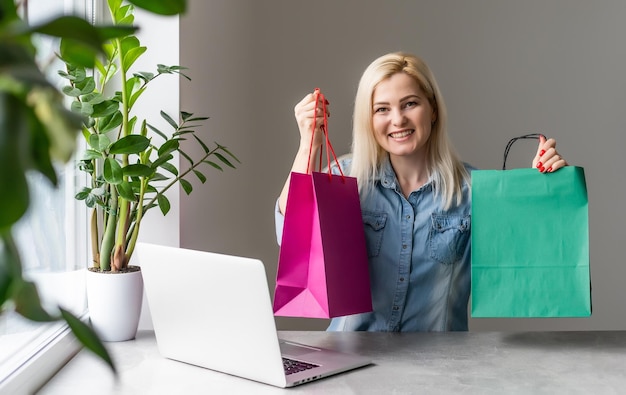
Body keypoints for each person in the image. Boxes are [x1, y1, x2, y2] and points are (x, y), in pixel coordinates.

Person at [275, 52, 568, 332]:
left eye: (410, 104)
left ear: (433, 110)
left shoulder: (474, 191)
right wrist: (308, 146)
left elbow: (524, 263)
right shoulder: (345, 179)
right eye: (382, 109)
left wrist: (542, 190)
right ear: (370, 119)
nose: (398, 119)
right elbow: (291, 236)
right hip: (350, 362)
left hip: (437, 371)